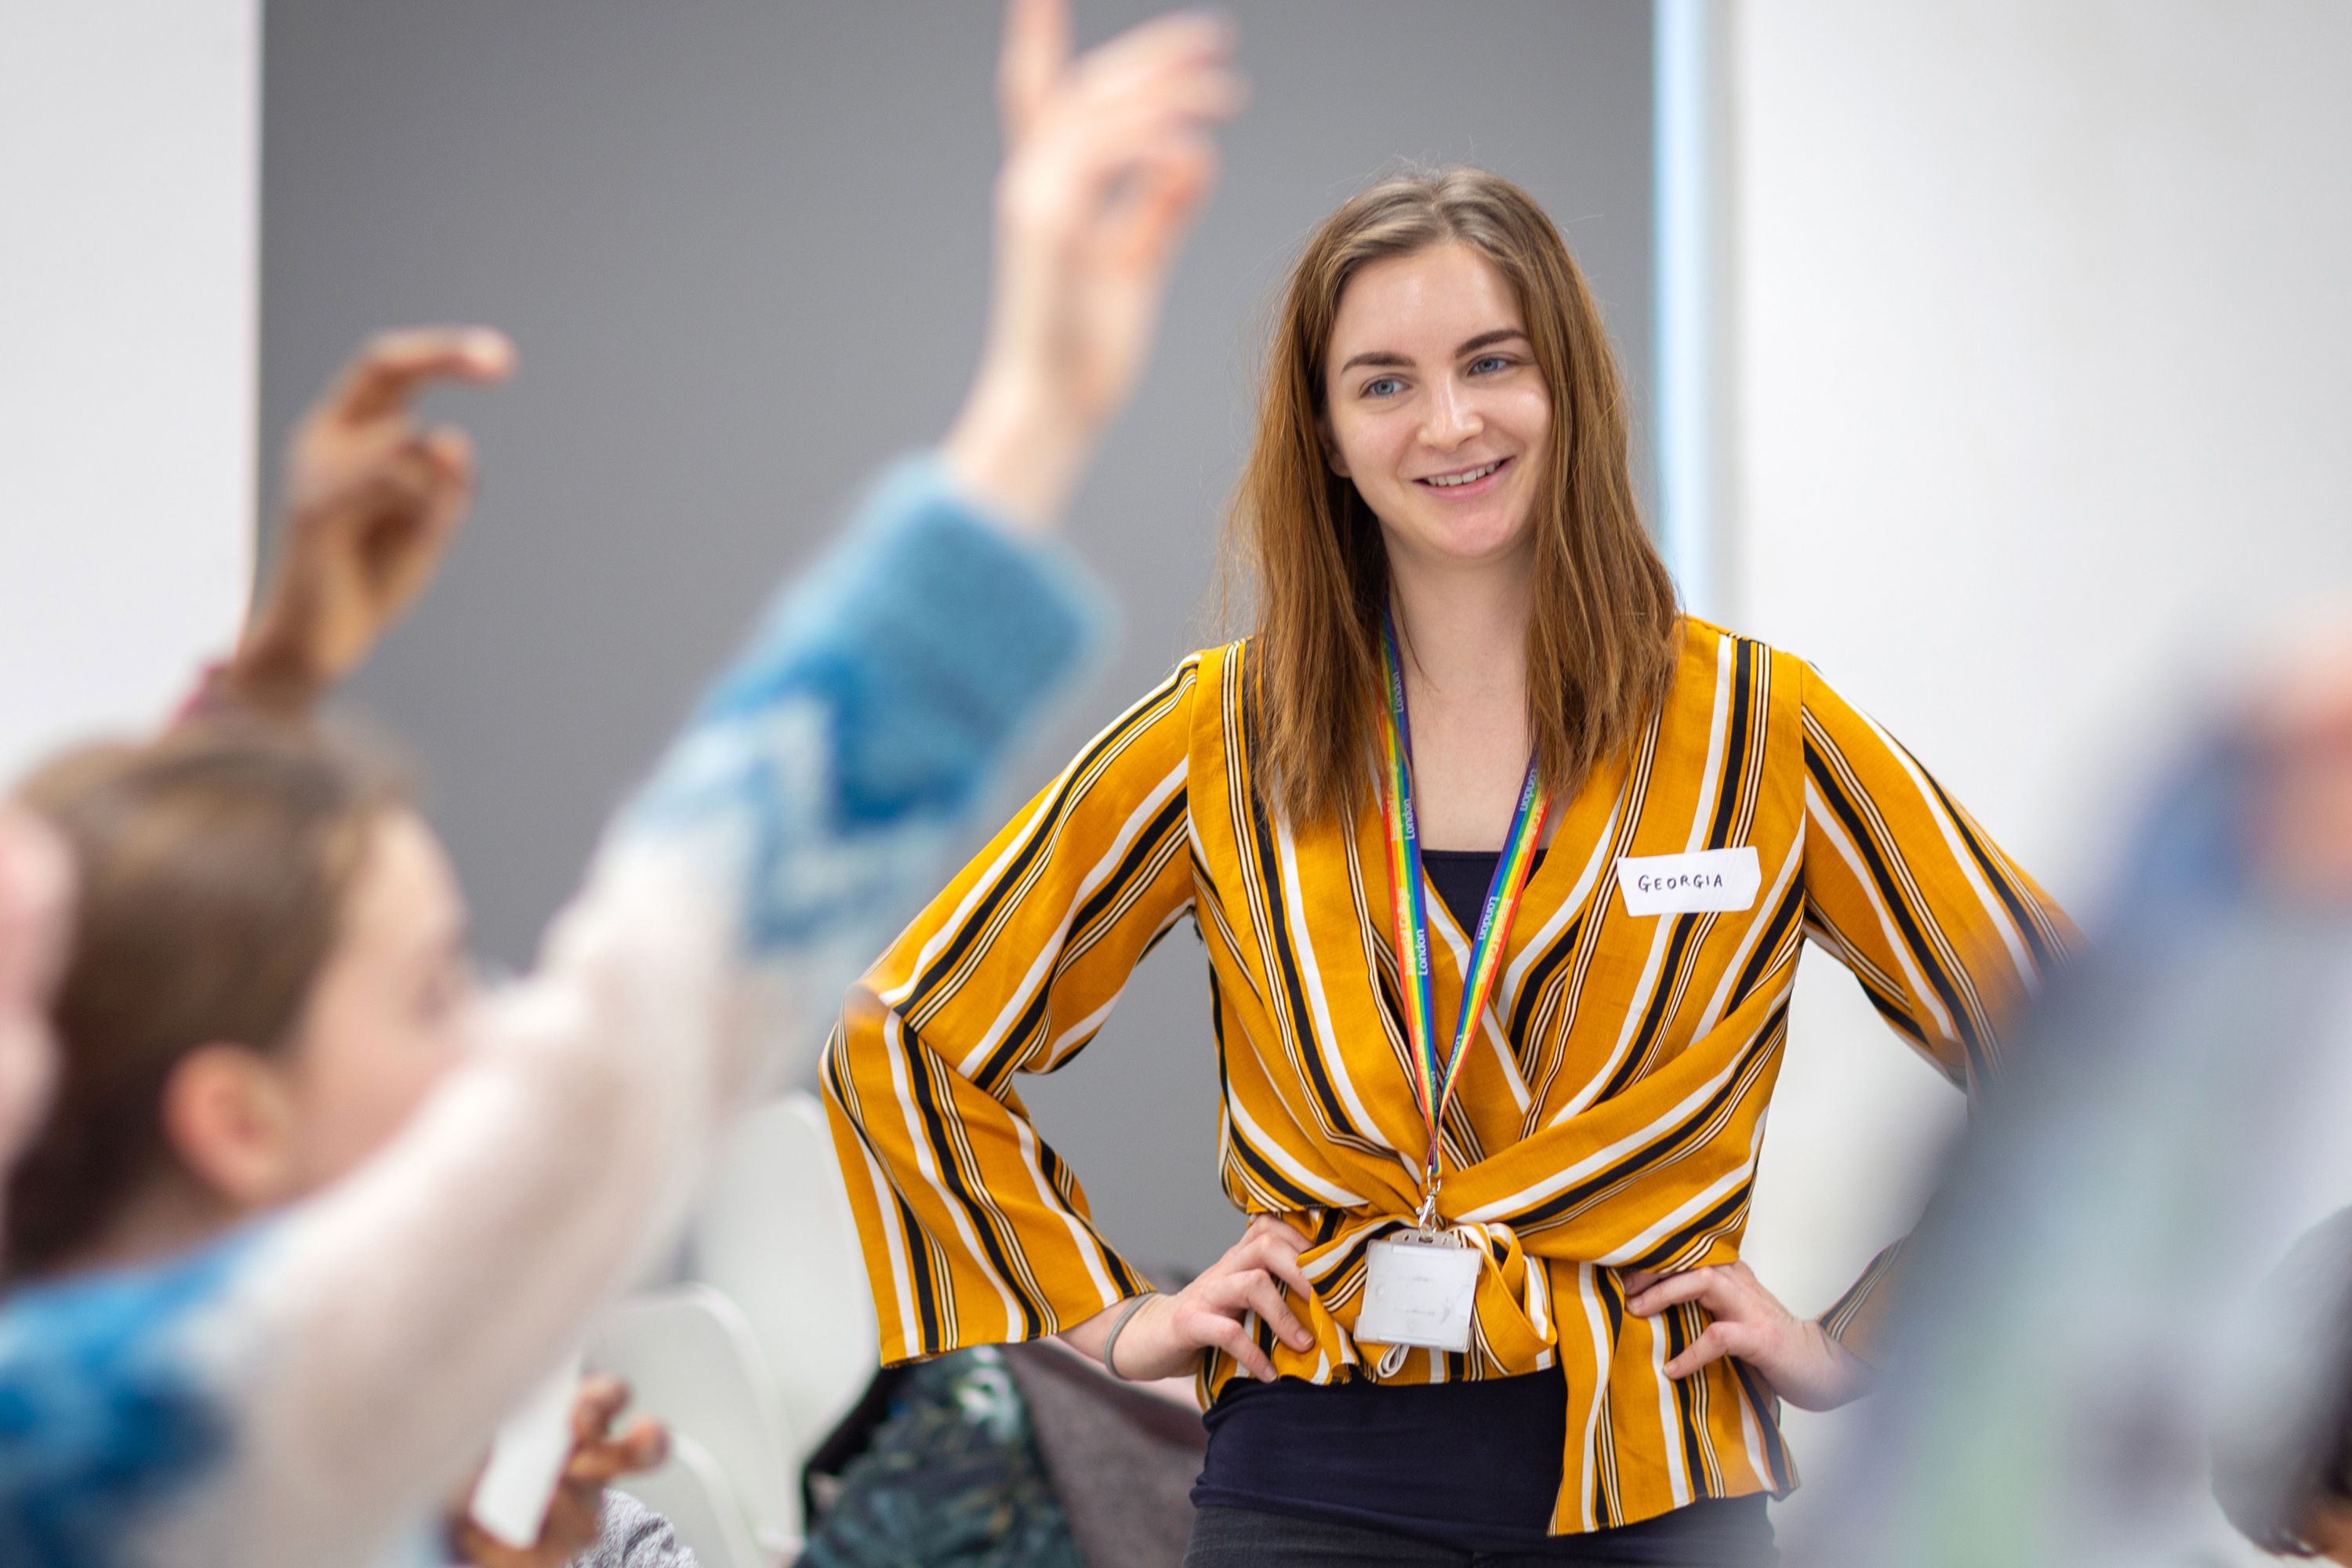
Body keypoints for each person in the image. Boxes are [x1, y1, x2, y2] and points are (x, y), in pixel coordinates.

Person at [0, 1, 1241, 1562]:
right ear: (235, 1119)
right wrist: (1032, 415)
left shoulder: (193, 1444)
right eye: (438, 991)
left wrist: (273, 688)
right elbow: (657, 983)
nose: (508, 1027)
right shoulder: (121, 1444)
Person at [824, 165, 2073, 1564]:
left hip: (1655, 1478)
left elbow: (2095, 1045)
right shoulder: (1222, 734)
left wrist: (1859, 1344)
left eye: (1492, 363)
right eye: (1385, 383)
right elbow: (908, 1033)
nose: (1452, 422)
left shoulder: (1755, 730)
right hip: (1309, 1482)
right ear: (1329, 434)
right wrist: (1118, 1320)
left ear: (1569, 388)